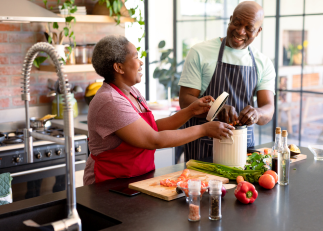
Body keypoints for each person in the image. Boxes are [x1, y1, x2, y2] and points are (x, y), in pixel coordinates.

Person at [83, 35, 234, 185]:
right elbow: (153, 139)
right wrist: (203, 130)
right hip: (109, 184)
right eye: (136, 57)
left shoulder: (132, 92)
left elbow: (152, 128)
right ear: (119, 67)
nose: (141, 62)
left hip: (137, 178)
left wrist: (190, 111)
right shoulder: (110, 100)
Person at [178, 1, 275, 161]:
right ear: (230, 20)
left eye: (249, 28)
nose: (240, 31)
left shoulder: (262, 62)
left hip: (243, 147)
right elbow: (185, 100)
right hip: (203, 148)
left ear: (258, 31)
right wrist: (215, 108)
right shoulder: (200, 52)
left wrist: (257, 113)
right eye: (236, 23)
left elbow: (268, 108)